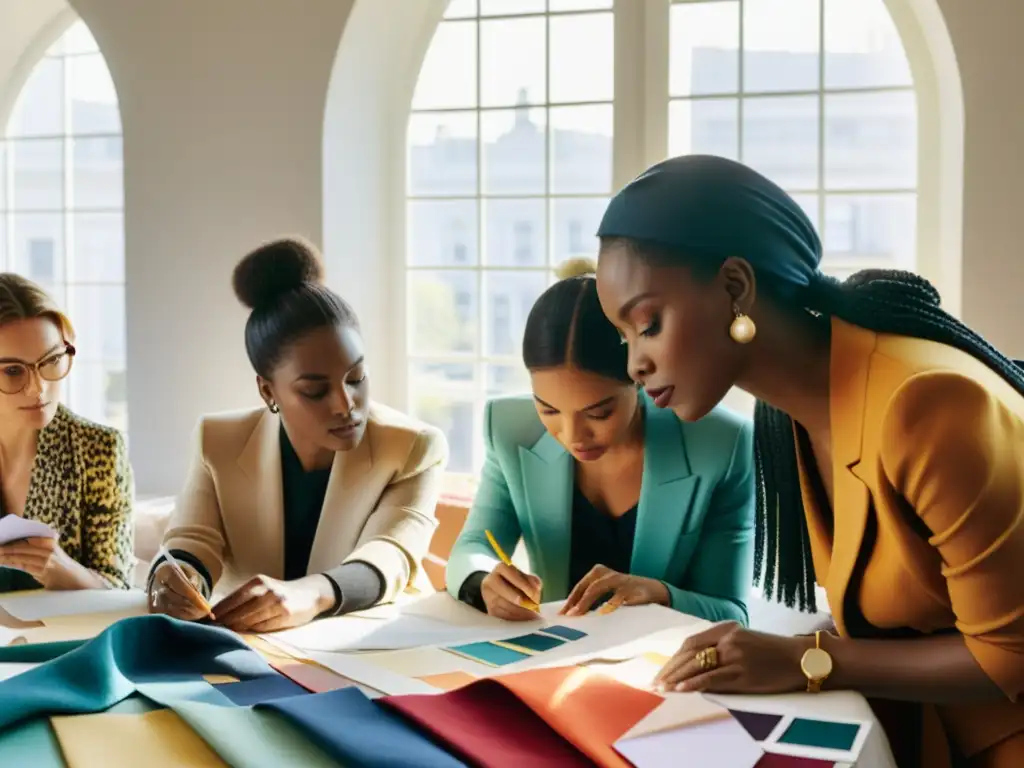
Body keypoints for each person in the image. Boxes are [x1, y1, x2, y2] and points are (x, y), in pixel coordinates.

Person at [593, 154, 1023, 767]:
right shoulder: (792, 417)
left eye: (648, 324)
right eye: (625, 338)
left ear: (736, 287)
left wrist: (804, 658)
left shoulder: (925, 403)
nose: (635, 364)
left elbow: (1011, 654)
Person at [148, 237, 448, 632]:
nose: (346, 403)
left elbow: (390, 557)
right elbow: (192, 539)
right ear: (268, 390)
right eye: (315, 390)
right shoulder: (216, 441)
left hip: (374, 646)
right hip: (254, 650)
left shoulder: (413, 447)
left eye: (356, 378)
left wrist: (310, 594)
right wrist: (175, 579)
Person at [446, 258, 755, 624]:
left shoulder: (720, 443)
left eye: (598, 413)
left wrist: (658, 594)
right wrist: (483, 580)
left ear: (639, 378)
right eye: (548, 410)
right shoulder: (510, 427)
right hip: (553, 654)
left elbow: (732, 612)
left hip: (664, 661)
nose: (573, 436)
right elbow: (473, 547)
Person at [0, 274, 134, 592]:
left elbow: (118, 593)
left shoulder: (99, 450)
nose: (39, 388)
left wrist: (63, 569)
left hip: (68, 641)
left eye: (52, 360)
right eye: (13, 370)